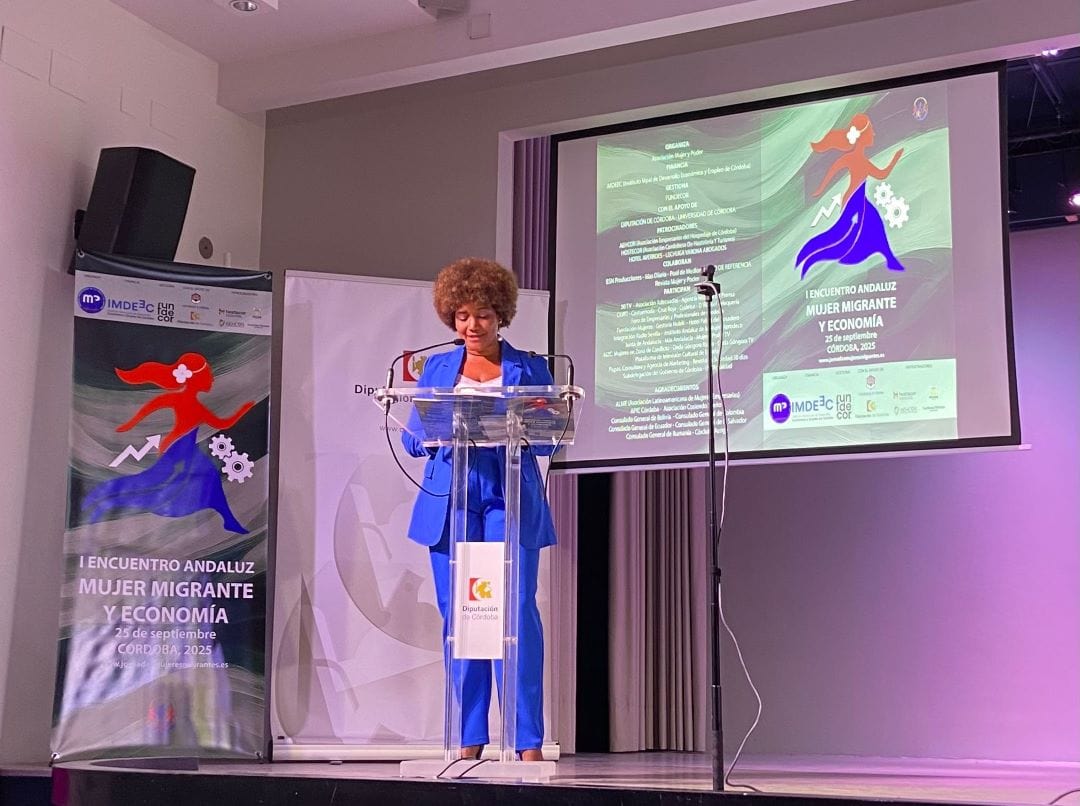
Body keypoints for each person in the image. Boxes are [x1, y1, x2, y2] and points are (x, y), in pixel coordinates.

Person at [401, 257, 556, 762]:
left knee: (515, 614)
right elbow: (411, 437)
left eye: (483, 315)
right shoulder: (437, 368)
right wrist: (433, 433)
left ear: (501, 315)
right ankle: (469, 736)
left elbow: (549, 439)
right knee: (461, 616)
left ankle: (526, 739)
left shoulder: (530, 367)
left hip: (508, 497)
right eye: (463, 315)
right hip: (452, 499)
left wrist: (526, 428)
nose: (472, 325)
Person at [795, 112, 905, 278]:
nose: (874, 133)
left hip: (860, 199)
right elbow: (832, 171)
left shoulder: (862, 160)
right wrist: (819, 190)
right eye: (871, 130)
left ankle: (889, 260)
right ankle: (813, 258)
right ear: (862, 135)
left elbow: (882, 174)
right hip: (852, 201)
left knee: (873, 227)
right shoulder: (853, 159)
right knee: (841, 235)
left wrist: (896, 159)